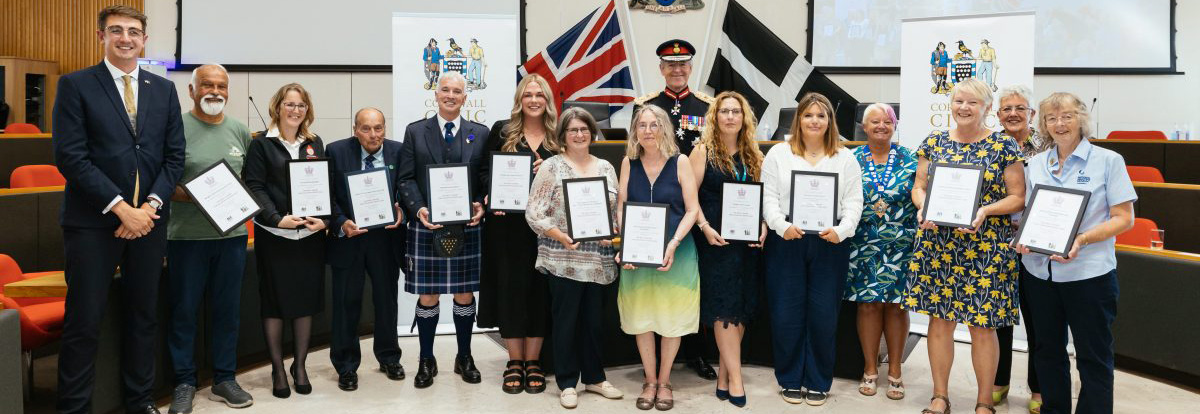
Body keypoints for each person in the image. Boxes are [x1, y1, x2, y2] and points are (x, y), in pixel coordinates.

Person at [52, 6, 185, 413]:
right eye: (116, 31)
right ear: (101, 36)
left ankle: (139, 401)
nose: (126, 38)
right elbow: (71, 158)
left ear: (145, 40)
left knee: (143, 316)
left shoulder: (163, 90)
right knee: (83, 322)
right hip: (92, 223)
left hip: (150, 221)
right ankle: (74, 408)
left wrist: (149, 207)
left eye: (134, 31)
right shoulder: (75, 85)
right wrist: (121, 209)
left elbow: (173, 157)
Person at [903, 78, 1026, 414]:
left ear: (986, 108)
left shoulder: (1004, 146)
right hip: (937, 244)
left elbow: (1018, 197)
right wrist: (922, 207)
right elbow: (919, 187)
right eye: (958, 101)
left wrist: (985, 209)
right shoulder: (934, 142)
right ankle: (939, 396)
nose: (964, 108)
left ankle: (985, 401)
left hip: (986, 246)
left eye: (972, 102)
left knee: (982, 327)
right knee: (939, 323)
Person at [1016, 92, 1135, 414]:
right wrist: (1022, 237)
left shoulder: (1108, 161)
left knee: (1093, 356)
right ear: (1043, 124)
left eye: (1067, 116)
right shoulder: (1036, 163)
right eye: (1051, 118)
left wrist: (1081, 239)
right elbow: (1026, 214)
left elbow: (1124, 218)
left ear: (1081, 119)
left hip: (1089, 275)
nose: (1059, 124)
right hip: (1040, 273)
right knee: (1047, 351)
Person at [761, 92, 863, 406]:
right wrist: (781, 226)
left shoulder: (845, 157)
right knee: (786, 313)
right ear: (799, 120)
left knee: (823, 314)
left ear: (830, 121)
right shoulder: (779, 154)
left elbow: (854, 202)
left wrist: (842, 231)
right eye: (808, 115)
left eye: (821, 115)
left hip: (829, 242)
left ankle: (818, 380)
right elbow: (768, 199)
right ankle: (790, 378)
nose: (815, 121)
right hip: (788, 239)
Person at [164, 64, 254, 413]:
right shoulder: (175, 129)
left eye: (221, 86)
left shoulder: (240, 131)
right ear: (192, 90)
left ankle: (224, 379)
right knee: (184, 312)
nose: (215, 91)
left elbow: (249, 181)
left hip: (231, 238)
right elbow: (162, 181)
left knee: (227, 312)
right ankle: (184, 382)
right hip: (186, 238)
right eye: (207, 85)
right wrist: (192, 194)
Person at [630, 38, 717, 381]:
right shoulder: (646, 105)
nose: (677, 70)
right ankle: (652, 358)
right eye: (670, 64)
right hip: (656, 206)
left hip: (696, 204)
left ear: (691, 68)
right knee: (655, 283)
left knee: (693, 283)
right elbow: (636, 150)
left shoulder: (707, 106)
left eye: (683, 65)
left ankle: (696, 353)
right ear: (661, 68)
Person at [525, 107, 624, 409]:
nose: (579, 135)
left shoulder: (606, 167)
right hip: (563, 259)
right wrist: (559, 236)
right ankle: (567, 382)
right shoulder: (551, 167)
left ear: (592, 132)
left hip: (598, 261)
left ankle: (594, 378)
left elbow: (615, 213)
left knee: (594, 322)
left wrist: (616, 235)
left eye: (584, 129)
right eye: (573, 130)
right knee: (566, 321)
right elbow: (533, 212)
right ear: (563, 136)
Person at [397, 71, 490, 389]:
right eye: (445, 90)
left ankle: (464, 355)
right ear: (435, 95)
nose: (451, 95)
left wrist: (480, 203)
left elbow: (484, 176)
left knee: (465, 292)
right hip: (427, 225)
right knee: (428, 294)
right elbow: (405, 178)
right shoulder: (415, 132)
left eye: (457, 91)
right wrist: (419, 209)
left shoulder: (480, 132)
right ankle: (426, 358)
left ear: (466, 98)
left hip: (466, 225)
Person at [242, 83, 328, 399]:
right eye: (289, 104)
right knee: (275, 303)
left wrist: (325, 220)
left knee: (305, 300)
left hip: (309, 236)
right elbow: (255, 187)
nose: (295, 110)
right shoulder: (261, 145)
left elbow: (326, 186)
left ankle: (300, 365)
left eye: (301, 105)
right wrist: (277, 218)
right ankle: (278, 368)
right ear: (278, 107)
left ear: (308, 110)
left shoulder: (315, 143)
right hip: (276, 235)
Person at [617, 104, 701, 411]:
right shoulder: (629, 162)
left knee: (671, 318)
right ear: (635, 131)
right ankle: (649, 380)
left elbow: (692, 209)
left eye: (654, 125)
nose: (648, 131)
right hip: (637, 255)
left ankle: (665, 381)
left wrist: (673, 243)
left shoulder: (680, 162)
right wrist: (625, 245)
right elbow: (622, 206)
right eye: (642, 125)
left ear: (664, 128)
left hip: (676, 253)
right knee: (642, 318)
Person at [479, 74, 557, 395]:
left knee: (540, 291)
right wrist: (489, 193)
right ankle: (515, 361)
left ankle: (534, 361)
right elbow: (484, 171)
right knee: (510, 289)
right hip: (506, 225)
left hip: (546, 227)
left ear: (547, 100)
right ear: (520, 100)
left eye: (540, 94)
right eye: (528, 95)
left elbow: (572, 174)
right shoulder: (502, 130)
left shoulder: (558, 135)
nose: (534, 100)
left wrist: (547, 171)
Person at [686, 91, 764, 408]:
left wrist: (764, 227)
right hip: (715, 244)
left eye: (736, 111)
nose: (730, 116)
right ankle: (735, 377)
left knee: (740, 306)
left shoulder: (753, 156)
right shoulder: (702, 152)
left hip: (746, 246)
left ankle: (723, 374)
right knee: (724, 308)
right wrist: (705, 227)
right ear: (715, 118)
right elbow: (689, 200)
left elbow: (763, 200)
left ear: (744, 118)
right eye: (724, 111)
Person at [325, 108, 407, 392]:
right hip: (349, 237)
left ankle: (388, 357)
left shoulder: (398, 151)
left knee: (386, 302)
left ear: (385, 128)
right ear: (355, 129)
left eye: (379, 128)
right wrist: (340, 222)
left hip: (385, 239)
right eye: (366, 129)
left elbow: (408, 189)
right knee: (347, 303)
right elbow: (328, 195)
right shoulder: (336, 151)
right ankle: (346, 365)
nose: (373, 135)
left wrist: (402, 213)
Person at [845, 103, 915, 402]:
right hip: (862, 243)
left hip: (900, 243)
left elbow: (923, 193)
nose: (881, 126)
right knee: (868, 305)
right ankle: (870, 368)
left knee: (897, 306)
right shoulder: (851, 159)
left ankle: (896, 371)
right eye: (874, 122)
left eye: (887, 121)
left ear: (894, 125)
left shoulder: (910, 158)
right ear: (864, 126)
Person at [993, 84, 1045, 413]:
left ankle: (1038, 389)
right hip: (997, 244)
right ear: (997, 114)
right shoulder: (990, 145)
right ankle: (999, 381)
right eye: (1007, 108)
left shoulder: (1048, 148)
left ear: (1032, 114)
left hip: (1038, 245)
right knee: (999, 317)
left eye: (1020, 108)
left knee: (1039, 319)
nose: (1013, 113)